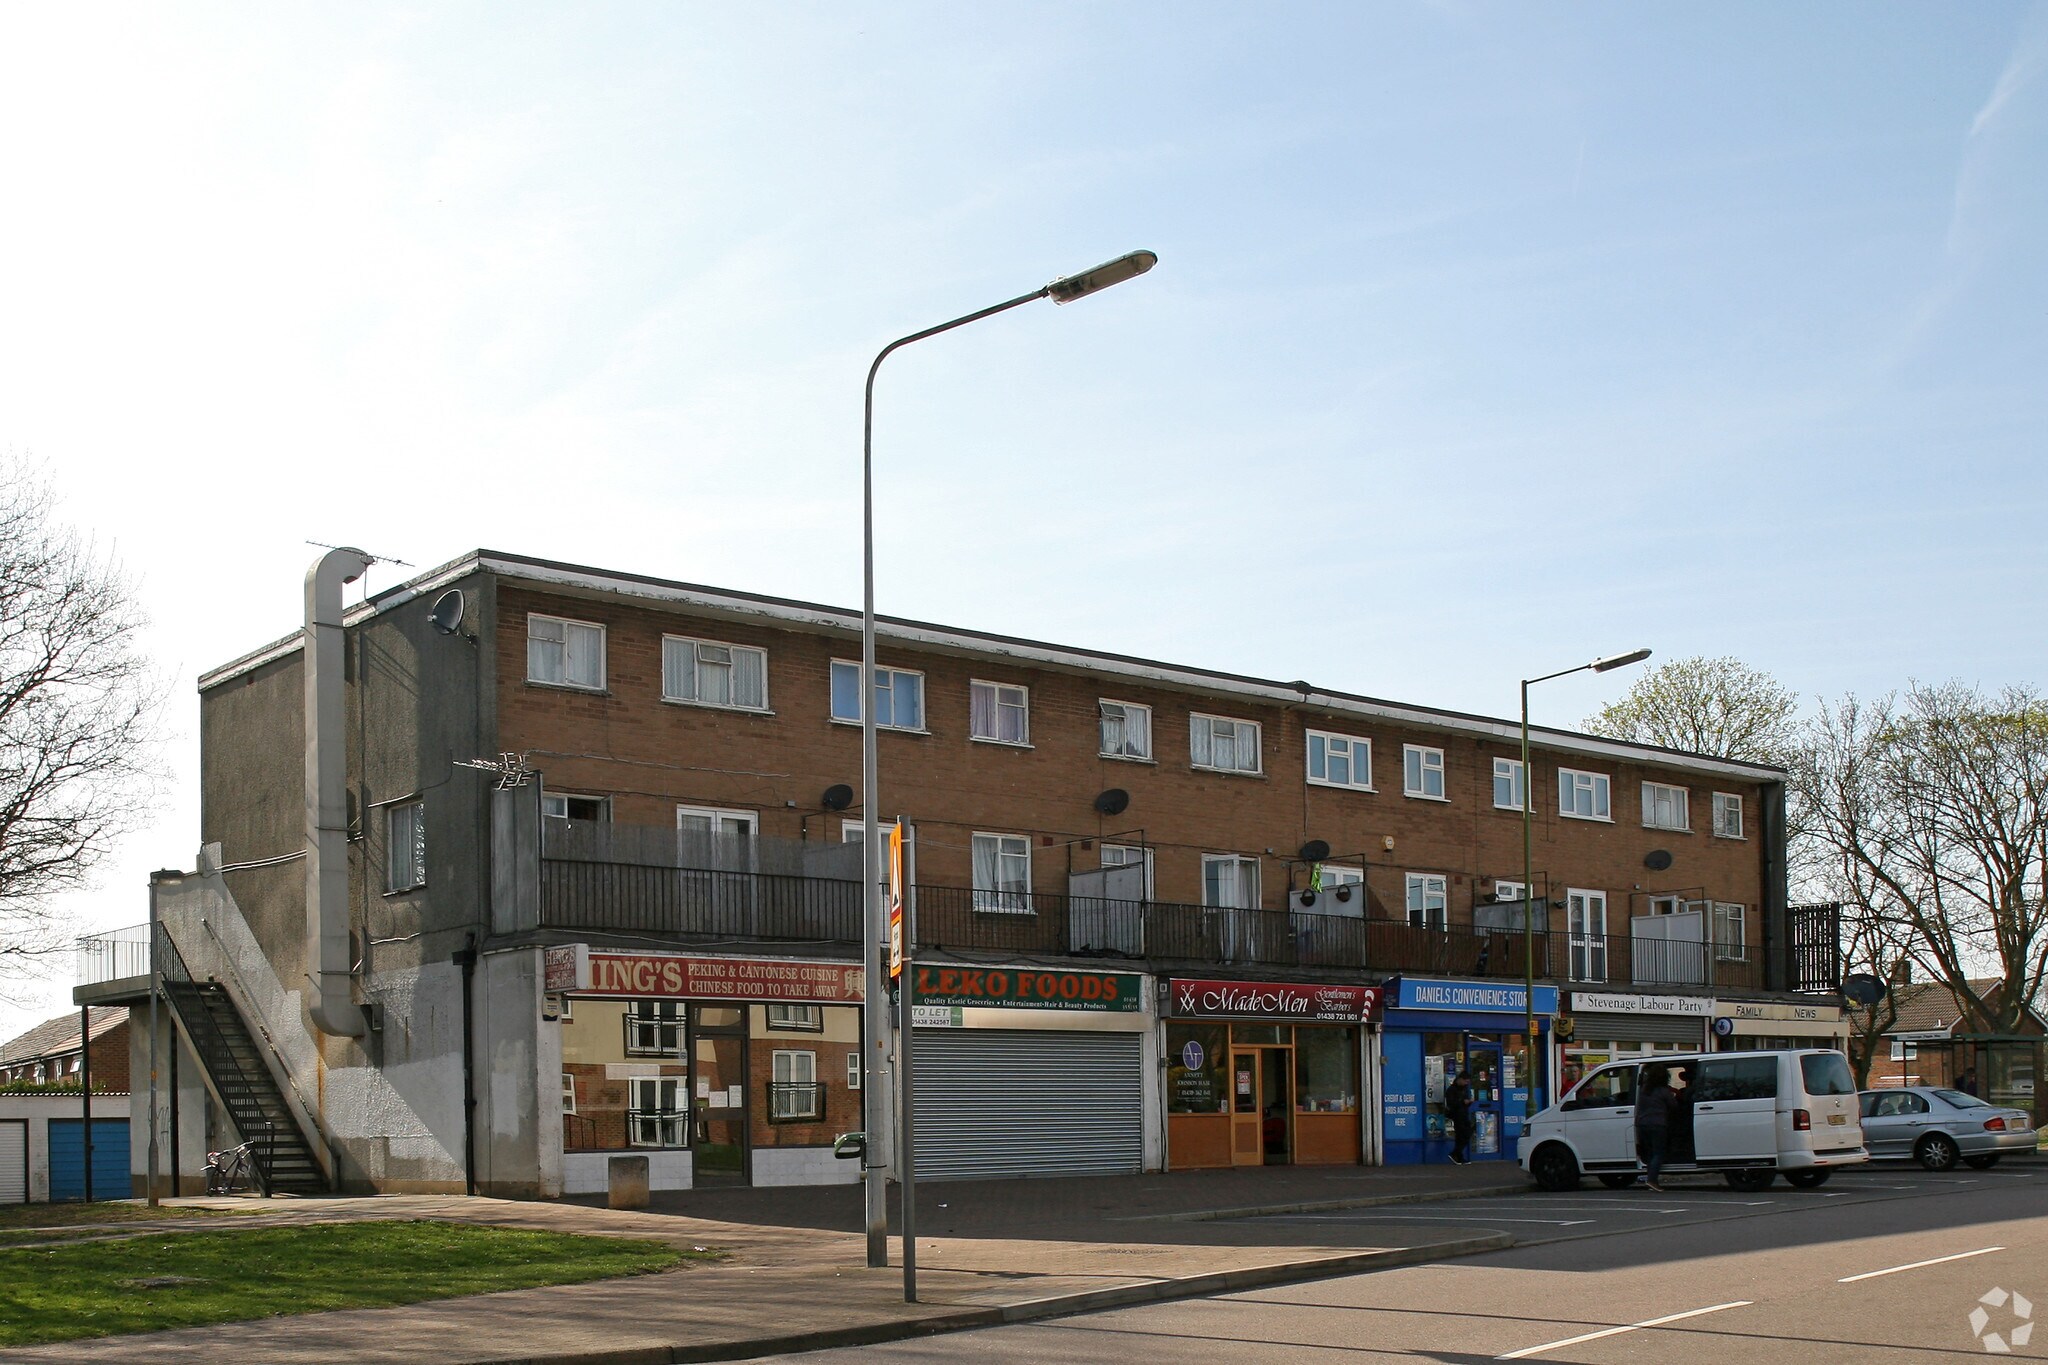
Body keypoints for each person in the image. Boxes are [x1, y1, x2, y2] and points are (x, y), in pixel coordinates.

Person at [1633, 1062, 1680, 1191]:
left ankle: (1650, 1178)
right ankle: (1652, 1180)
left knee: (1649, 1153)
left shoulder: (1644, 1090)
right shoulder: (1664, 1091)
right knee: (1658, 1153)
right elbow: (1674, 1105)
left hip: (1642, 1124)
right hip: (1658, 1124)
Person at [1445, 1070, 1474, 1164]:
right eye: (1465, 1081)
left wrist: (1468, 1102)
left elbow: (1464, 1102)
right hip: (1457, 1115)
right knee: (1461, 1135)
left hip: (1464, 1114)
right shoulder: (1451, 1090)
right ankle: (1456, 1155)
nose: (1466, 1083)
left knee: (1466, 1133)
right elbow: (1451, 1104)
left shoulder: (1464, 1089)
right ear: (1460, 1079)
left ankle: (1457, 1155)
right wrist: (1463, 1102)